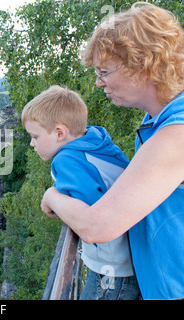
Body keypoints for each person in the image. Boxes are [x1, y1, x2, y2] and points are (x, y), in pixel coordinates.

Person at [40, 2, 184, 300]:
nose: (98, 82)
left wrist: (52, 195)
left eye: (104, 71)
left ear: (142, 66)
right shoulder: (157, 120)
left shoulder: (176, 134)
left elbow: (96, 227)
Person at [21, 85, 139, 300]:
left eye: (35, 136)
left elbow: (89, 216)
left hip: (112, 267)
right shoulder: (97, 143)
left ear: (59, 133)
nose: (31, 144)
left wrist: (53, 197)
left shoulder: (67, 160)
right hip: (133, 258)